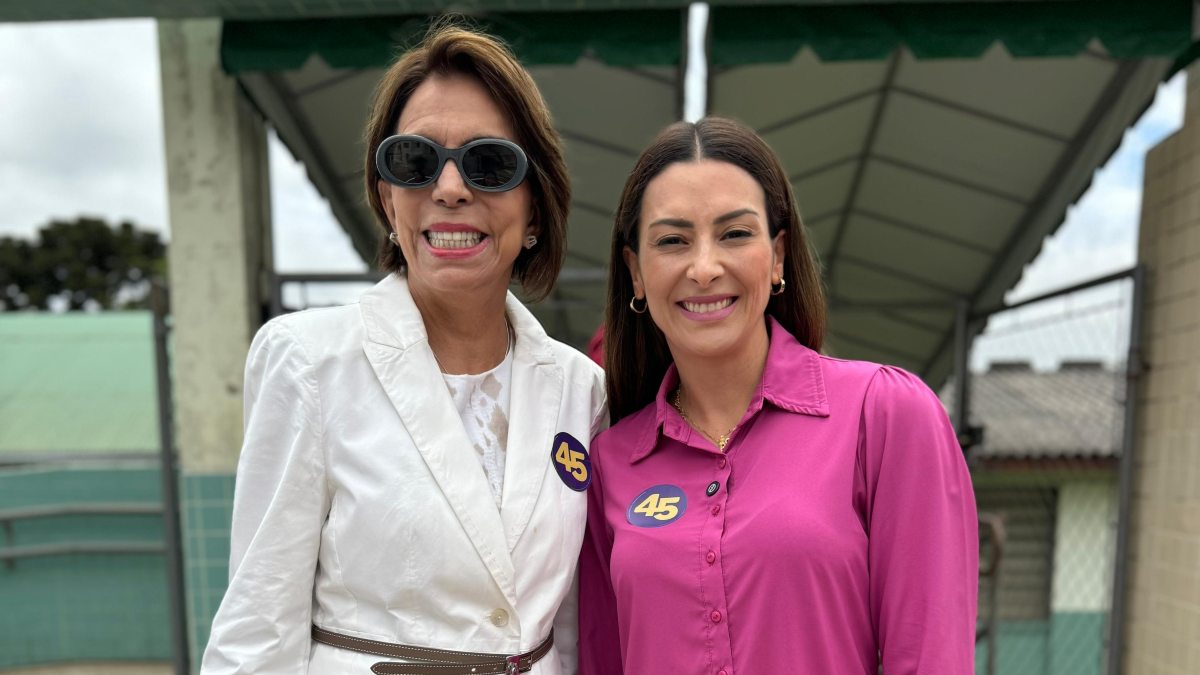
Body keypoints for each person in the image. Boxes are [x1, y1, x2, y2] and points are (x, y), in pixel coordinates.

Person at [201, 23, 606, 675]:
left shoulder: (580, 389)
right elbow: (256, 628)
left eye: (490, 163)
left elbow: (574, 626)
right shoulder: (308, 361)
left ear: (535, 210)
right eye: (415, 161)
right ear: (387, 197)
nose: (449, 188)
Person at [578, 117, 978, 674]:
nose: (704, 267)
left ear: (779, 255)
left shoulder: (885, 415)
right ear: (636, 273)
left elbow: (930, 656)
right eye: (672, 241)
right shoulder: (611, 463)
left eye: (735, 234)